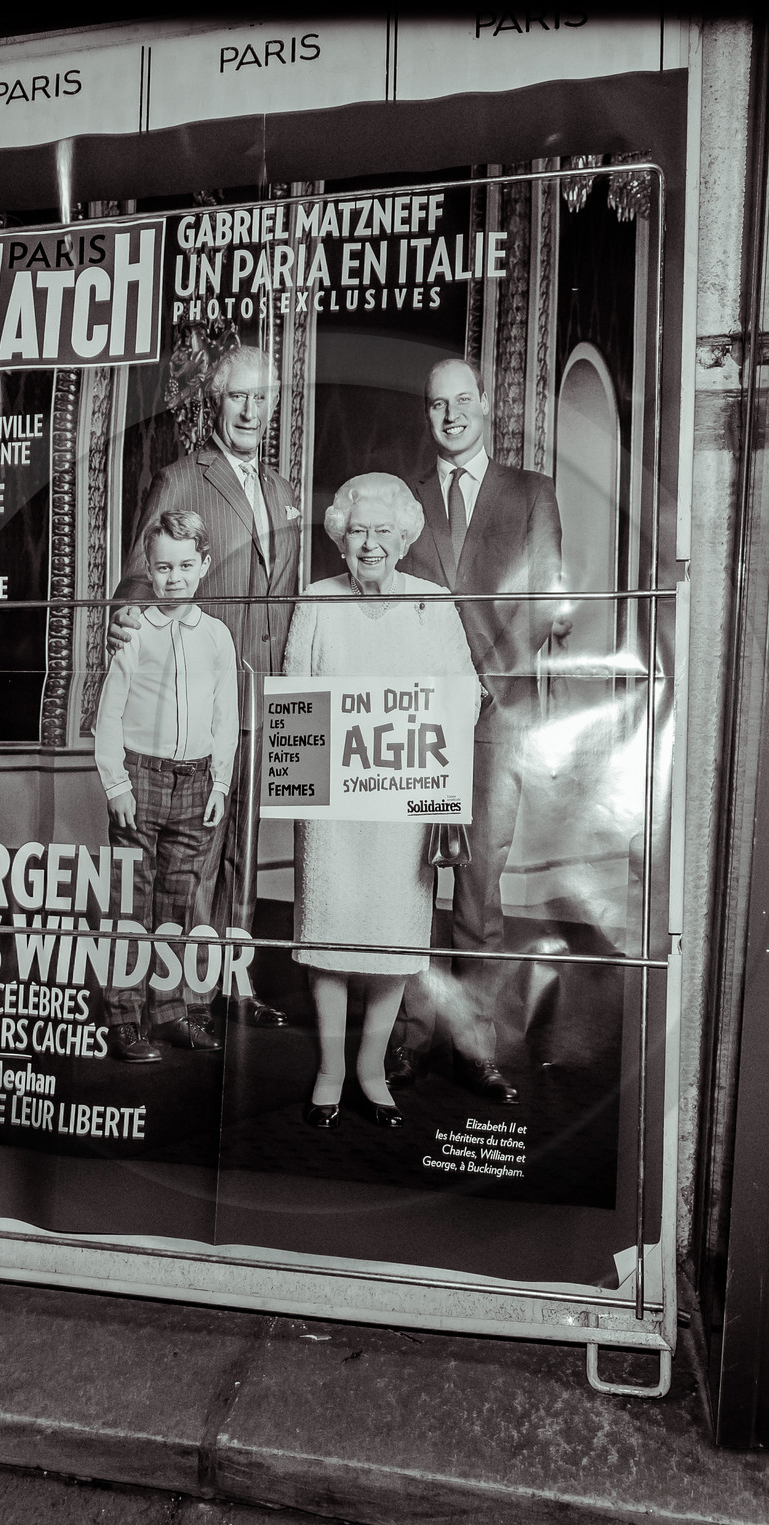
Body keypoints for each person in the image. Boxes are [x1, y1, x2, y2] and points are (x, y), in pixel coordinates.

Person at [388, 357, 570, 1106]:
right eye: (437, 405)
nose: (451, 415)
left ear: (487, 405)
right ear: (427, 415)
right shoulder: (402, 501)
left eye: (463, 401)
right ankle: (407, 1040)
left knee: (479, 894)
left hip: (498, 717)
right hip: (417, 719)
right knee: (405, 888)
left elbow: (548, 604)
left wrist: (498, 687)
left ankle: (475, 1047)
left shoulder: (532, 492)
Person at [108, 344, 300, 1031]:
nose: (250, 409)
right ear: (217, 402)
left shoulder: (282, 492)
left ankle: (235, 987)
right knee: (201, 854)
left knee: (248, 852)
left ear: (273, 405)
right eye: (237, 397)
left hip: (269, 705)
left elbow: (290, 601)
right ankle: (186, 1001)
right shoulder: (183, 478)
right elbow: (138, 577)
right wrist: (130, 614)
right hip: (203, 705)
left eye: (261, 397)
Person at [283, 474, 479, 1129]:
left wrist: (419, 733)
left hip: (402, 804)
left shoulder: (432, 602)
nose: (371, 544)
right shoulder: (316, 599)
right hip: (335, 807)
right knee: (331, 938)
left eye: (384, 532)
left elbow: (466, 693)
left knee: (392, 941)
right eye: (358, 531)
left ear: (404, 539)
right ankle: (330, 1071)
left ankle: (371, 1071)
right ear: (340, 539)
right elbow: (295, 697)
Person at [94, 510, 238, 1061]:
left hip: (196, 781)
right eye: (162, 568)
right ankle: (126, 1021)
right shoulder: (134, 634)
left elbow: (226, 714)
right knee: (130, 902)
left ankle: (171, 1011)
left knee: (178, 901)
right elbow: (108, 715)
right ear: (149, 573)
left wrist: (220, 784)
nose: (173, 578)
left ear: (203, 565)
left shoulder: (218, 637)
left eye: (184, 565)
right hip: (141, 778)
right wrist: (116, 785)